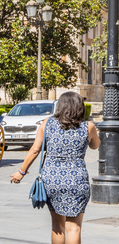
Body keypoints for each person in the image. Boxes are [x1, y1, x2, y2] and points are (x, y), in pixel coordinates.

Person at [10, 92, 100, 244]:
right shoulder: (88, 127)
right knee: (74, 228)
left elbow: (34, 150)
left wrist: (21, 172)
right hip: (77, 180)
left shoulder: (47, 123)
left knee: (57, 226)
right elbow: (95, 145)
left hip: (52, 179)